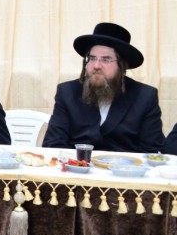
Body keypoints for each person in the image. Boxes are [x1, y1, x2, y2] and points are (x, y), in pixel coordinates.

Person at [42, 22, 163, 153]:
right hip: (78, 164)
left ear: (122, 65)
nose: (96, 65)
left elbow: (152, 151)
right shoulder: (67, 92)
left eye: (106, 60)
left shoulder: (144, 97)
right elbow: (53, 145)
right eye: (92, 58)